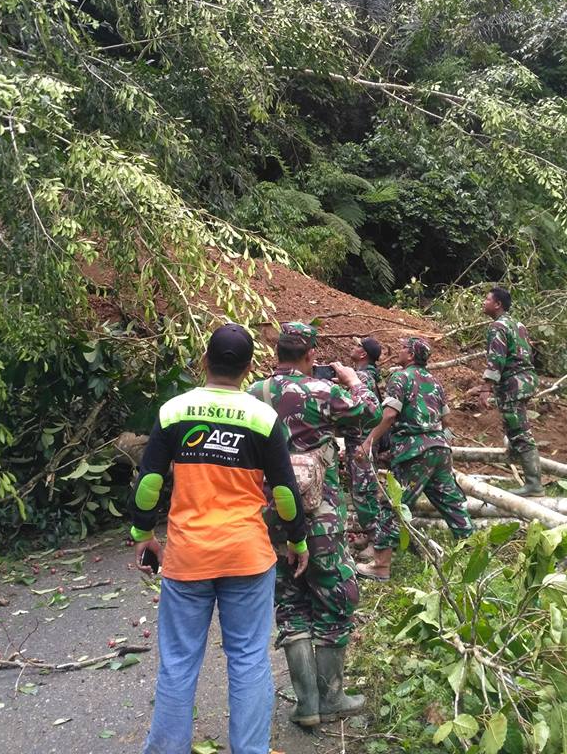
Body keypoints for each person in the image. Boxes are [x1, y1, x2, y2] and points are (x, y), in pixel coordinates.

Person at [129, 323, 309, 754]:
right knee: (248, 660)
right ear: (249, 369)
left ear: (205, 361)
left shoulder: (175, 411)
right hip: (247, 557)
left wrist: (142, 532)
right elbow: (284, 492)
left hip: (188, 557)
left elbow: (150, 480)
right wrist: (296, 541)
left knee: (177, 664)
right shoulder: (263, 418)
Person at [248, 322, 381, 727]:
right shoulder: (323, 392)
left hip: (272, 515)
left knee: (290, 600)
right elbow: (369, 412)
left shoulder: (253, 394)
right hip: (319, 516)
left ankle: (306, 705)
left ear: (276, 356)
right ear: (309, 356)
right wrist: (354, 379)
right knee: (335, 594)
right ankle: (332, 696)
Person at [355, 336, 473, 582]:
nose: (397, 352)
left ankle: (381, 566)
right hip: (439, 449)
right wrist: (446, 442)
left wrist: (369, 442)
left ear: (410, 355)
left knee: (393, 505)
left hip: (414, 452)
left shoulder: (401, 378)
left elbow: (389, 416)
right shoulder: (435, 382)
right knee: (451, 501)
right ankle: (472, 549)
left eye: (401, 348)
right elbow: (445, 419)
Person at [469, 286, 543, 497]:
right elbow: (527, 353)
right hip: (526, 379)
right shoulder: (518, 325)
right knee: (514, 426)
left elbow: (496, 360)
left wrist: (485, 388)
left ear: (497, 304)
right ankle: (516, 458)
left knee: (520, 431)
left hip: (513, 383)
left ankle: (534, 484)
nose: (484, 302)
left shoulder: (497, 327)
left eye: (487, 299)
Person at [344, 336, 382, 563]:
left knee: (364, 492)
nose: (353, 347)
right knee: (362, 489)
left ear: (364, 354)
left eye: (357, 345)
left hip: (361, 444)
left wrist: (364, 444)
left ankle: (377, 542)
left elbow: (364, 411)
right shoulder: (366, 376)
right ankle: (370, 538)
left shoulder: (363, 378)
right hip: (360, 443)